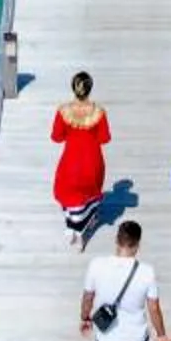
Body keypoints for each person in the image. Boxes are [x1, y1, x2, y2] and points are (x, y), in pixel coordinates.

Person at [50, 70, 111, 245]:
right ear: (90, 89)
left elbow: (56, 137)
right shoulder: (99, 112)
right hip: (92, 159)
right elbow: (105, 138)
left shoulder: (63, 111)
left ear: (73, 88)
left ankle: (72, 226)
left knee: (67, 190)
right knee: (89, 192)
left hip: (71, 158)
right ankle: (83, 225)